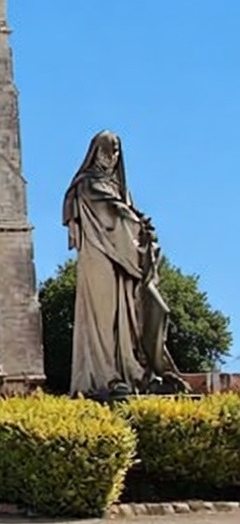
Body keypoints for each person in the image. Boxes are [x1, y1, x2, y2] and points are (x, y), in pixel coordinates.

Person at [62, 131, 182, 395]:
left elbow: (128, 215)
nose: (111, 157)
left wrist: (144, 230)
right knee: (104, 317)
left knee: (129, 315)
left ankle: (134, 372)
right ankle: (106, 376)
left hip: (123, 261)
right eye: (107, 150)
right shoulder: (87, 184)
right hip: (99, 256)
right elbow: (113, 216)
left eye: (116, 151)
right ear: (95, 152)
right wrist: (136, 224)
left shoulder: (118, 187)